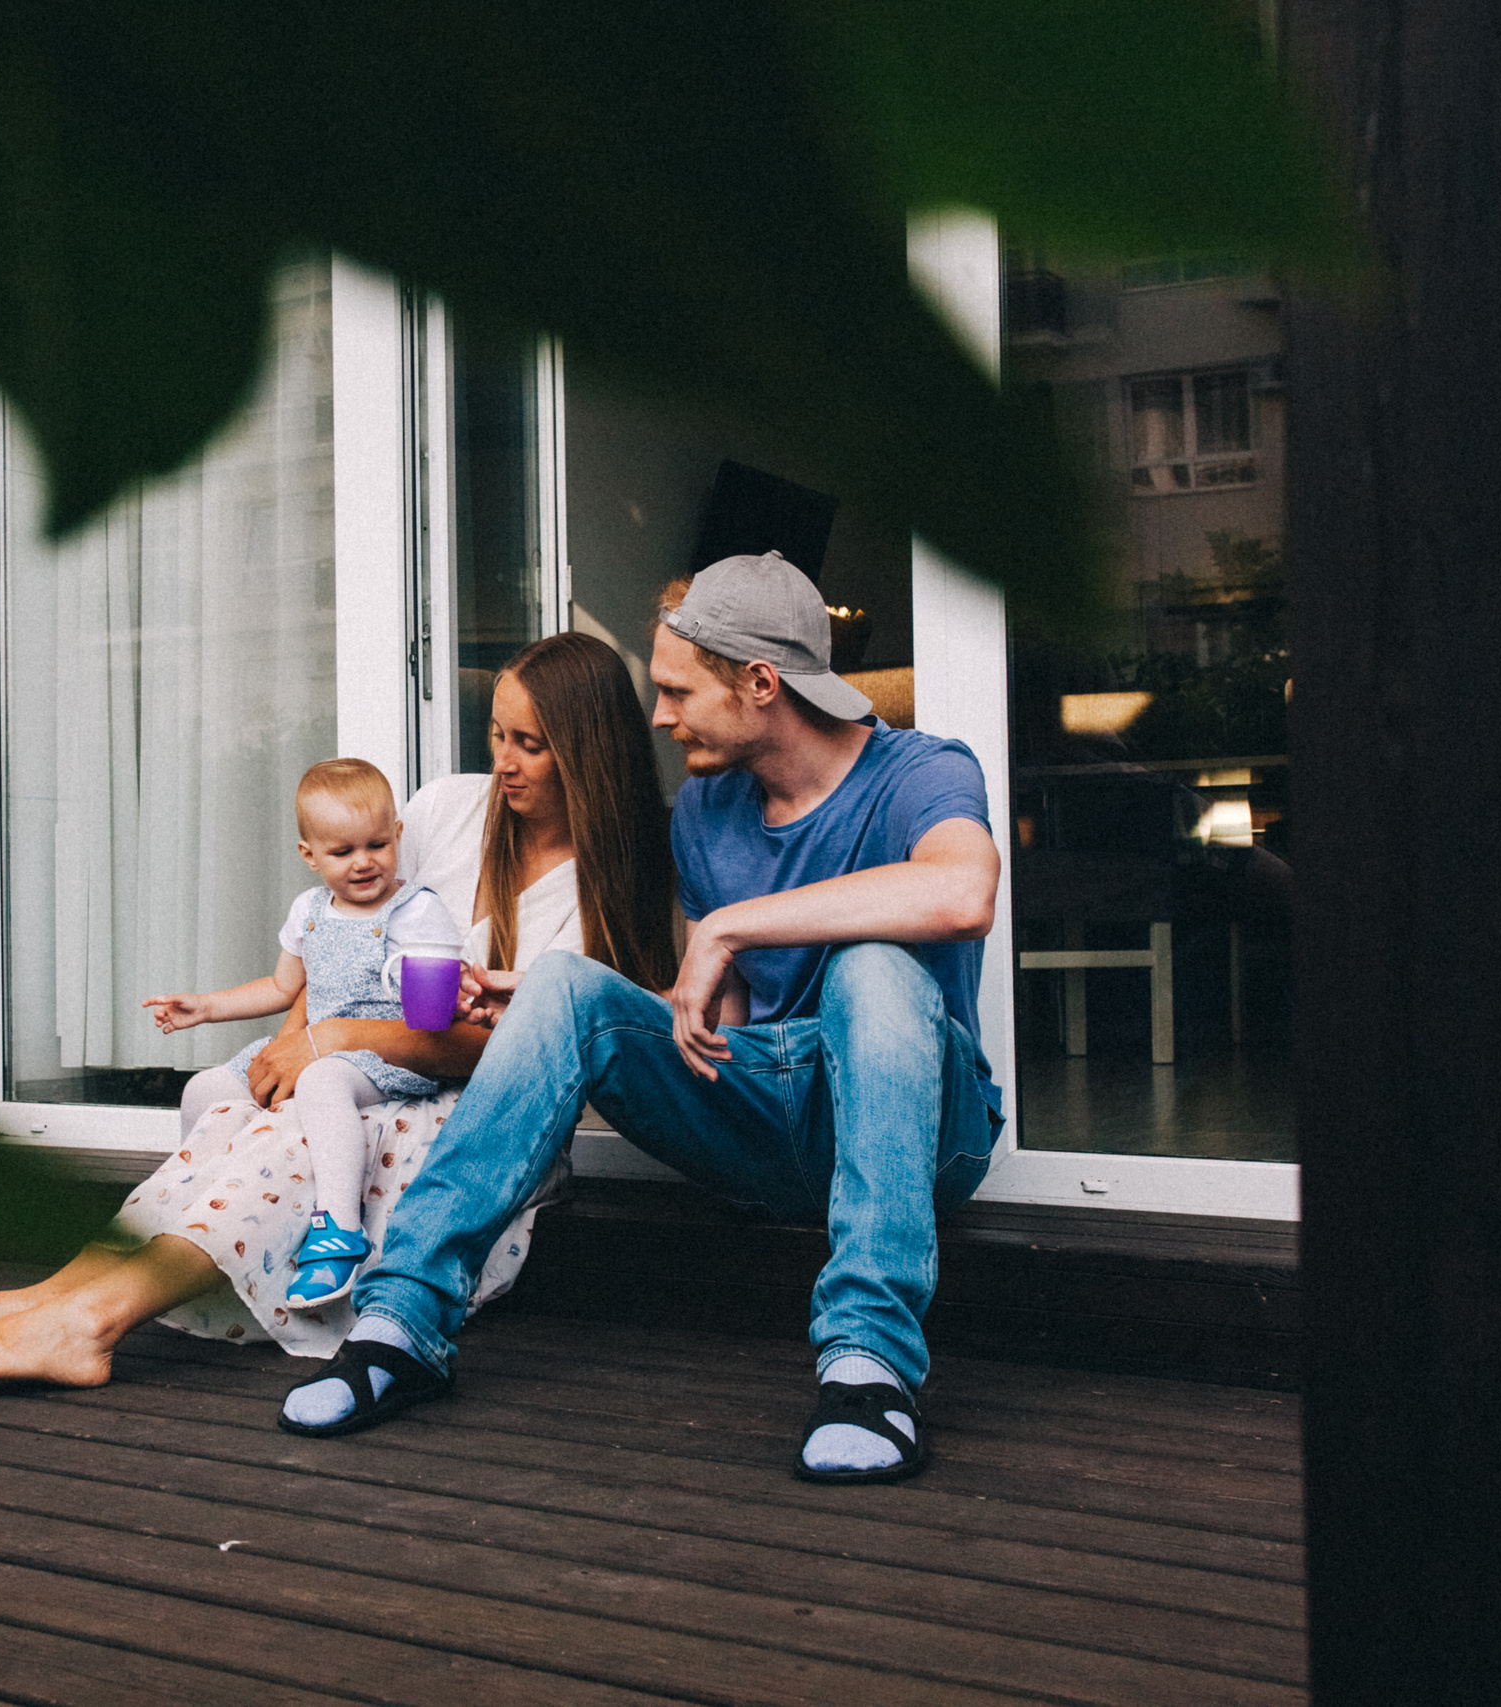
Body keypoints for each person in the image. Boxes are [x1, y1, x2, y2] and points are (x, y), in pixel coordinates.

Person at [278, 552, 1003, 1486]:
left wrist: (732, 926)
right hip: (763, 1112)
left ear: (759, 682)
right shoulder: (707, 807)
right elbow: (719, 1024)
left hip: (919, 1131)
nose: (658, 717)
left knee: (875, 969)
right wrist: (542, 1001)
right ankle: (401, 1325)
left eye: (675, 690)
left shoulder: (920, 771)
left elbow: (963, 887)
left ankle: (870, 1366)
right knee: (563, 984)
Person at [0, 631, 676, 1384]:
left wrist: (329, 1042)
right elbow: (344, 927)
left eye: (529, 744)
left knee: (293, 1136)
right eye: (498, 734)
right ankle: (54, 1294)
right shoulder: (449, 810)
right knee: (237, 1114)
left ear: (586, 751)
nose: (503, 760)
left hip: (483, 1118)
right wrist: (295, 1040)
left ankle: (93, 1323)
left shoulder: (600, 898)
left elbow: (508, 1052)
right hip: (366, 1065)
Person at [140, 758, 464, 1307]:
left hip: (379, 1056)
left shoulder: (416, 910)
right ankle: (189, 1212)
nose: (364, 863)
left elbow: (433, 1002)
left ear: (398, 836)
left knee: (321, 1081)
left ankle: (339, 1229)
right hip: (311, 1046)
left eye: (377, 845)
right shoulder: (310, 912)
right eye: (343, 852)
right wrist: (207, 1006)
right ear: (309, 855)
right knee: (205, 1089)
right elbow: (280, 985)